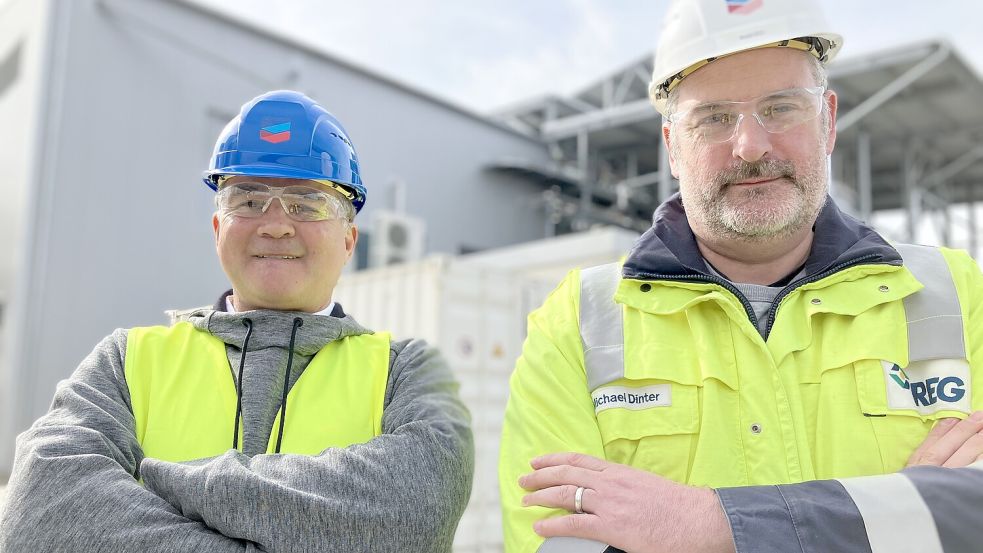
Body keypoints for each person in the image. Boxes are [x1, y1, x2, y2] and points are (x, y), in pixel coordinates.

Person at [499, 1, 983, 552]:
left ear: (827, 121)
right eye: (713, 118)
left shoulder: (954, 292)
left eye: (781, 108)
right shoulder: (579, 321)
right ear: (672, 147)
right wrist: (901, 510)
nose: (751, 146)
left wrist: (710, 524)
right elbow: (554, 542)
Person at [0, 90, 474, 552]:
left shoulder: (407, 372)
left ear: (349, 240)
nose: (274, 224)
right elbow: (38, 518)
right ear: (217, 229)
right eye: (247, 201)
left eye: (307, 204)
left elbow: (413, 519)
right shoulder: (127, 360)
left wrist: (161, 482)